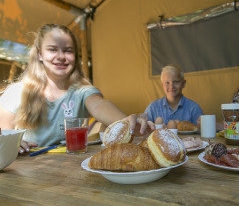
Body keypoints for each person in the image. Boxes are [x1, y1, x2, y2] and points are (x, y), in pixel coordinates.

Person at [0, 24, 153, 154]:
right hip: (25, 178)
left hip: (70, 175)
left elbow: (99, 104)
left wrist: (125, 122)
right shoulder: (16, 93)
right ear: (40, 54)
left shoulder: (82, 91)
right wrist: (10, 144)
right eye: (52, 49)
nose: (61, 56)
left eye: (68, 50)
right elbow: (3, 138)